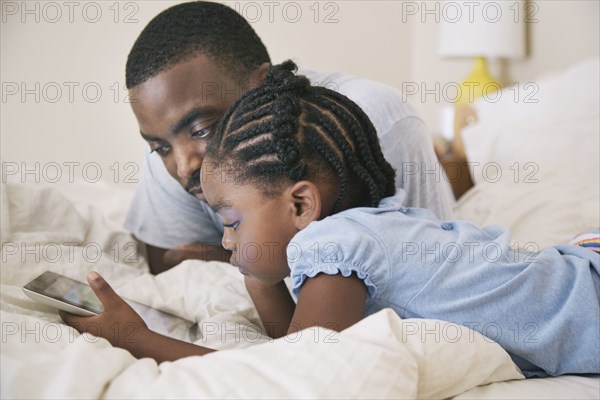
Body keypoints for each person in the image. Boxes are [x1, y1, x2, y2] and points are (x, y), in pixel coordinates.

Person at [62, 62, 600, 378]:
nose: (224, 236)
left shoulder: (336, 248)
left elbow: (291, 373)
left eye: (231, 219)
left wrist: (136, 337)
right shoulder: (363, 233)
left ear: (301, 206)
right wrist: (257, 270)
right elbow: (291, 337)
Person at [123, 1, 455, 274]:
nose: (183, 166)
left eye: (202, 130)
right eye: (160, 147)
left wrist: (225, 259)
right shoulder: (174, 151)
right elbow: (166, 266)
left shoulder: (372, 123)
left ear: (262, 85)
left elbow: (421, 273)